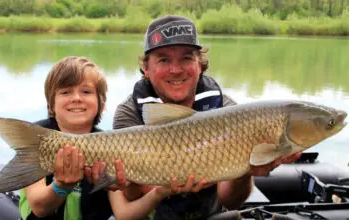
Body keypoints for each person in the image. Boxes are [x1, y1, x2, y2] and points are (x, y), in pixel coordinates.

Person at [109, 15, 301, 220]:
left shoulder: (228, 112)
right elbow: (130, 194)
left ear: (200, 64)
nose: (176, 70)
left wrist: (246, 172)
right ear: (146, 68)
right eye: (164, 59)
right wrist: (167, 185)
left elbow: (231, 200)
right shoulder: (130, 112)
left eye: (186, 58)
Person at [19, 56, 127, 220]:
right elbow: (39, 208)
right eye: (65, 92)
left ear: (101, 104)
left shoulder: (111, 143)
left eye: (86, 91)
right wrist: (61, 186)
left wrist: (158, 192)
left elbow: (125, 214)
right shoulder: (37, 138)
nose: (76, 98)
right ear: (51, 104)